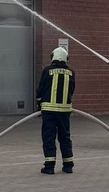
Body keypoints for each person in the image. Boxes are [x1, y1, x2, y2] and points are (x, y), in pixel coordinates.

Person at [37, 46, 75, 174]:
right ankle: (68, 165)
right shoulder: (71, 72)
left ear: (53, 57)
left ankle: (49, 166)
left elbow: (41, 89)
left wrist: (39, 102)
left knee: (49, 137)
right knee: (65, 137)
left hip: (48, 111)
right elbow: (72, 90)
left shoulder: (47, 71)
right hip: (65, 111)